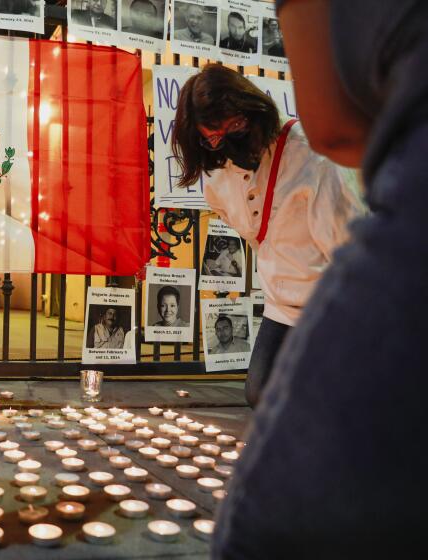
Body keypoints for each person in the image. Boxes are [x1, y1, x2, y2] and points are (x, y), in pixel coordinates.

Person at [212, 1, 428, 557]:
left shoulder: (318, 159)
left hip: (317, 297)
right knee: (263, 389)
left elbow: (263, 534)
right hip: (284, 303)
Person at [172, 64, 365, 406]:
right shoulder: (222, 171)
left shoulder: (310, 157)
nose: (223, 142)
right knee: (261, 393)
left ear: (249, 112)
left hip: (331, 306)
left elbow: (347, 247)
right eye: (211, 137)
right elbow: (234, 215)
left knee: (326, 401)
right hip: (281, 306)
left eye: (232, 127)